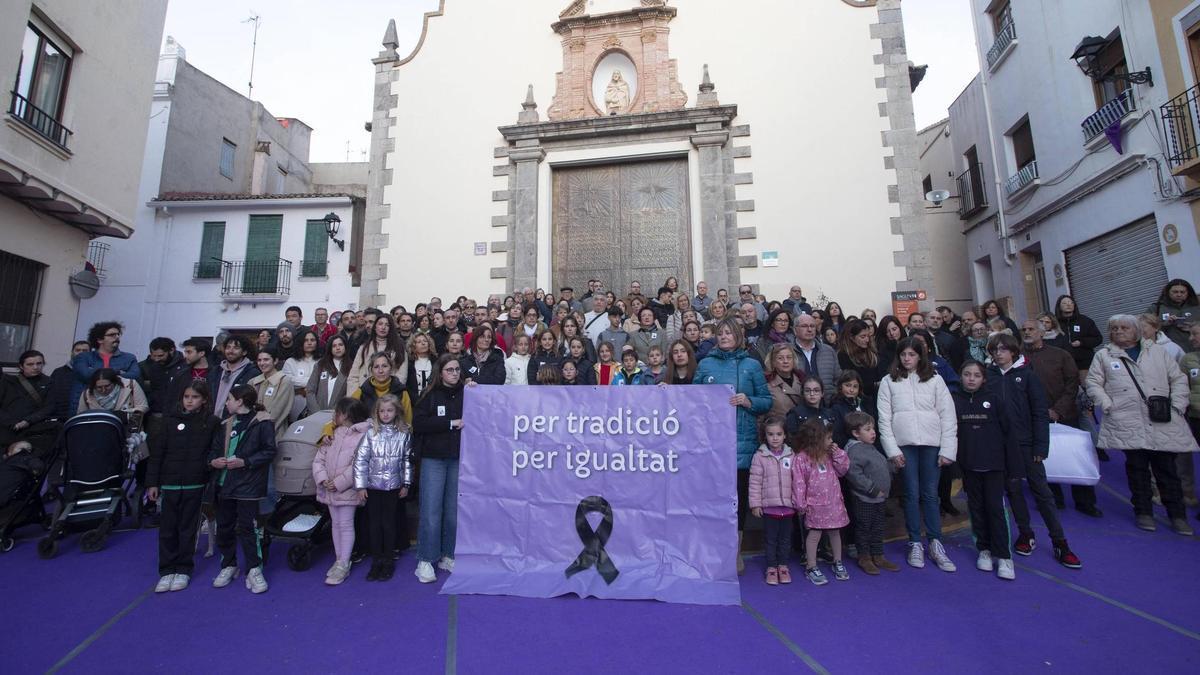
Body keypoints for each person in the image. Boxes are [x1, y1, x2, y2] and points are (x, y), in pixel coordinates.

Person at [1086, 314, 1196, 535]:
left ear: (1136, 330)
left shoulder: (1157, 352)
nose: (1118, 331)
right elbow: (1093, 382)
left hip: (1162, 418)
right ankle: (1143, 511)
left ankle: (1177, 514)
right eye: (1114, 328)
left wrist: (1177, 405)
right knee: (1137, 468)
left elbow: (1178, 379)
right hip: (1126, 419)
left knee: (1167, 469)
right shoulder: (1104, 355)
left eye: (1124, 327)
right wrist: (1106, 404)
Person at [693, 318, 771, 574]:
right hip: (711, 444)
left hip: (742, 443)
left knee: (736, 501)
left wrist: (749, 402)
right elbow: (692, 400)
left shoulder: (751, 365)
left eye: (729, 333)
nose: (724, 336)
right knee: (712, 499)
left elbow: (766, 401)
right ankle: (713, 550)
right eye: (720, 333)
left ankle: (735, 552)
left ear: (739, 335)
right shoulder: (705, 364)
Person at [877, 337, 957, 572]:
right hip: (905, 445)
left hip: (932, 444)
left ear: (920, 356)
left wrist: (948, 449)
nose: (907, 359)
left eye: (912, 354)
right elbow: (884, 419)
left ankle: (935, 541)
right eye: (903, 355)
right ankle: (915, 541)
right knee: (911, 494)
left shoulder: (935, 380)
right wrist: (892, 450)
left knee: (931, 494)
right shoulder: (888, 381)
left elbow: (948, 416)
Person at [146, 380, 221, 593]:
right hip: (169, 482)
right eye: (187, 397)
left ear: (204, 399)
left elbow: (212, 452)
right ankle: (167, 570)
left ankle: (183, 569)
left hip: (194, 482)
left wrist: (207, 474)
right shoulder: (168, 422)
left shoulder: (211, 422)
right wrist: (153, 482)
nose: (190, 401)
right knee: (168, 529)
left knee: (188, 528)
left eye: (195, 397)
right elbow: (157, 454)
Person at [1022, 320, 1101, 517]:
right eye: (1023, 329)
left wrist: (1059, 409)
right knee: (1044, 459)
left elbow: (1072, 382)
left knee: (1074, 456)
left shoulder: (1060, 355)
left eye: (1031, 329)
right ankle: (1053, 499)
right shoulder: (1018, 357)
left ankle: (1085, 501)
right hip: (1035, 417)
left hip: (1065, 414)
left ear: (1042, 332)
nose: (1026, 332)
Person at [952, 361, 1018, 581]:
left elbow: (1008, 433)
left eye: (976, 375)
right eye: (967, 374)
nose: (971, 379)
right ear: (960, 376)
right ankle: (984, 549)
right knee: (976, 508)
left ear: (984, 379)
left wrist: (1013, 466)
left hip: (994, 465)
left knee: (995, 509)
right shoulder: (955, 400)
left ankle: (1004, 555)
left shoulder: (995, 400)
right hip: (969, 465)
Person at [209, 385, 276, 594]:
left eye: (229, 399)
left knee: (248, 528)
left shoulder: (263, 423)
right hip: (224, 483)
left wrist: (245, 462)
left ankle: (254, 569)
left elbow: (269, 451)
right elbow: (213, 450)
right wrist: (214, 461)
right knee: (225, 526)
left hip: (248, 485)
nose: (226, 403)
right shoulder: (225, 424)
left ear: (240, 401)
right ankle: (228, 564)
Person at [412, 355, 466, 584]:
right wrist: (449, 424)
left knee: (453, 512)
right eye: (449, 370)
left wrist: (475, 388)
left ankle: (448, 555)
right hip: (433, 459)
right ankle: (425, 559)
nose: (454, 373)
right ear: (440, 372)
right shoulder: (429, 395)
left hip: (457, 459)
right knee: (431, 511)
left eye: (457, 370)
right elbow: (420, 424)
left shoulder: (467, 393)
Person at [354, 394, 413, 582]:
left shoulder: (404, 434)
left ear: (396, 412)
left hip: (394, 487)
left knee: (389, 524)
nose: (385, 414)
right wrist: (360, 485)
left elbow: (407, 461)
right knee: (374, 525)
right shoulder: (370, 434)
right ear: (376, 413)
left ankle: (388, 560)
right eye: (382, 411)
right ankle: (376, 560)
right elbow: (361, 460)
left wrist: (406, 483)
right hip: (373, 487)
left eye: (389, 410)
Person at [792, 418, 851, 585]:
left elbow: (843, 470)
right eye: (828, 438)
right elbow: (799, 482)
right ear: (816, 439)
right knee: (814, 534)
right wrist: (801, 504)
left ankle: (837, 561)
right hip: (815, 506)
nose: (831, 441)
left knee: (835, 532)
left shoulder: (830, 455)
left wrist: (838, 453)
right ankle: (811, 566)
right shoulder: (802, 458)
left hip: (833, 503)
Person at [842, 412, 897, 575]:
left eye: (873, 428)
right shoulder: (855, 451)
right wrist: (871, 489)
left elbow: (880, 466)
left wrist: (893, 466)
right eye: (868, 429)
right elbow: (854, 474)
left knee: (878, 527)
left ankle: (878, 555)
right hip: (865, 498)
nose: (873, 432)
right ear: (855, 433)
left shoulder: (869, 447)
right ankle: (864, 557)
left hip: (879, 498)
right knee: (864, 528)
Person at [749, 415, 797, 586]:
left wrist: (799, 501)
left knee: (785, 540)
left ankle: (783, 566)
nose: (775, 438)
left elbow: (797, 481)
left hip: (788, 508)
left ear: (785, 435)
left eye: (778, 434)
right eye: (770, 434)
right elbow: (755, 481)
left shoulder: (792, 455)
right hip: (770, 508)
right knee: (770, 540)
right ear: (765, 436)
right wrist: (755, 504)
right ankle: (771, 567)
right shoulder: (760, 456)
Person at [70, 321, 142, 413]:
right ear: (100, 339)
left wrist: (97, 372)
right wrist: (118, 372)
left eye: (118, 334)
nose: (117, 337)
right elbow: (85, 375)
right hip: (87, 406)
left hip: (118, 408)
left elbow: (135, 375)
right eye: (112, 335)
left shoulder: (129, 358)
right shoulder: (83, 357)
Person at [0, 351, 54, 448]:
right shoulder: (7, 381)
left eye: (39, 363)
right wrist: (11, 423)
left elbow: (49, 407)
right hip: (5, 429)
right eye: (30, 364)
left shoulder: (49, 382)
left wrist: (28, 421)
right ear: (21, 366)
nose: (35, 367)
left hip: (32, 431)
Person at [348, 315, 406, 394]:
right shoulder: (364, 348)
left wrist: (389, 396)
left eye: (387, 325)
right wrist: (354, 399)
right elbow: (353, 376)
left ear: (391, 328)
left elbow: (402, 376)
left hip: (390, 396)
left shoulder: (399, 348)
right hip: (364, 395)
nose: (383, 327)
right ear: (375, 327)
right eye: (380, 324)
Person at [206, 336, 261, 419]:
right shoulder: (215, 371)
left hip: (235, 422)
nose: (230, 351)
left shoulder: (252, 373)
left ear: (244, 352)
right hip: (211, 421)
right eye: (228, 347)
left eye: (236, 348)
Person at [352, 353, 414, 423]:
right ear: (371, 370)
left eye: (384, 366)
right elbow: (348, 415)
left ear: (391, 368)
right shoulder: (361, 392)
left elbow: (408, 422)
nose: (380, 371)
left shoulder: (401, 392)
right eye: (376, 367)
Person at [792, 314, 841, 402]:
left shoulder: (828, 351)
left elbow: (838, 379)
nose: (809, 329)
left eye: (812, 326)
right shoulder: (788, 352)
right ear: (795, 330)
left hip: (828, 406)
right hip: (797, 406)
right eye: (804, 326)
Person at [248, 350, 291, 445]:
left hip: (274, 432)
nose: (262, 363)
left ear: (275, 361)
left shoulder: (284, 381)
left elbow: (279, 410)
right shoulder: (252, 381)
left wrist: (264, 430)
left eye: (266, 359)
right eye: (259, 360)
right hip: (252, 432)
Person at [1054, 295, 1103, 378]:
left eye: (1071, 303)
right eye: (1065, 303)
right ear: (1059, 306)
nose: (1068, 305)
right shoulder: (1055, 323)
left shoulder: (1085, 321)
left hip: (1084, 363)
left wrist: (1081, 342)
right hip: (1062, 363)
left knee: (1086, 387)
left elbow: (1098, 338)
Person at [837, 319, 884, 402]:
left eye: (868, 336)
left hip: (875, 399)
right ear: (852, 337)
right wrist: (874, 385)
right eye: (863, 337)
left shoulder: (872, 354)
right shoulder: (843, 356)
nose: (867, 340)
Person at [1180, 323, 1200, 508]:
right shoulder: (1187, 359)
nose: (1190, 338)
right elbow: (1181, 386)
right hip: (1196, 416)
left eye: (1195, 334)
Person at [1147, 278, 1198, 353]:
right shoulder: (1157, 308)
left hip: (1196, 350)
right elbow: (1145, 328)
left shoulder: (1196, 307)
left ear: (1188, 293)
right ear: (1168, 292)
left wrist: (1194, 327)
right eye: (1175, 292)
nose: (1179, 294)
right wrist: (1165, 324)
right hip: (1171, 352)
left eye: (1182, 292)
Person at [829, 371, 876, 448]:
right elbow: (838, 435)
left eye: (855, 386)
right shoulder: (836, 407)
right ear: (840, 386)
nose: (851, 390)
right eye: (848, 385)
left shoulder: (865, 403)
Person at [306, 335, 351, 414]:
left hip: (339, 414)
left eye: (340, 345)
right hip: (316, 413)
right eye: (334, 346)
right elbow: (310, 391)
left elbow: (350, 395)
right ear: (330, 349)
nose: (337, 348)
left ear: (345, 347)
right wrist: (316, 412)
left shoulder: (352, 367)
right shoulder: (320, 365)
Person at [282, 332, 320, 421]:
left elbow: (324, 382)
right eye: (306, 340)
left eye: (312, 340)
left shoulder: (322, 361)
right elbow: (287, 380)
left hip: (317, 404)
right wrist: (312, 382)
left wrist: (302, 383)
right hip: (296, 404)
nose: (309, 343)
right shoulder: (290, 362)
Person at [50, 341, 90, 420]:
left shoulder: (96, 373)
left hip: (86, 418)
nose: (81, 353)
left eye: (85, 351)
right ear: (72, 352)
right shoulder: (58, 372)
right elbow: (50, 396)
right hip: (60, 419)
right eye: (77, 350)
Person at [404, 333, 438, 401]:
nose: (423, 343)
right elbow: (407, 386)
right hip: (414, 403)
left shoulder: (436, 362)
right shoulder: (409, 364)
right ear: (413, 346)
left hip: (433, 401)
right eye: (419, 342)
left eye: (425, 341)